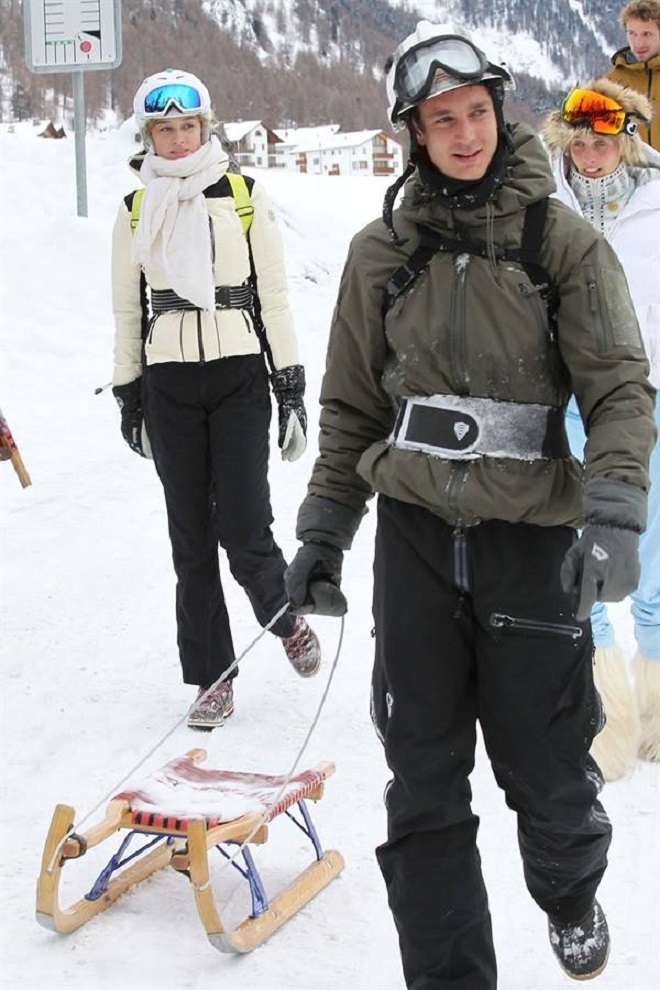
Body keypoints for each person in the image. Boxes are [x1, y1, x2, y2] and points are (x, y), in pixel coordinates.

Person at [283, 21, 657, 989]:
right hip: (412, 540)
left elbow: (619, 388)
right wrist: (325, 530)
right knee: (422, 782)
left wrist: (614, 512)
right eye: (440, 119)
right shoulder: (381, 253)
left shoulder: (559, 243)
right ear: (414, 132)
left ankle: (571, 894)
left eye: (476, 112)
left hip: (529, 540)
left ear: (499, 111)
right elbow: (351, 405)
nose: (462, 134)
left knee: (550, 775)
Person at [111, 68, 321, 731]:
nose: (176, 140)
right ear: (149, 135)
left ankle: (284, 619)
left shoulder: (244, 196)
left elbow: (275, 297)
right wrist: (128, 392)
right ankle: (213, 678)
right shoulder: (135, 208)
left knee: (243, 524)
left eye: (187, 127)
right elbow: (125, 308)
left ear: (206, 128)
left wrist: (288, 382)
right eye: (164, 129)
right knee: (190, 539)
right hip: (167, 378)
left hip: (237, 374)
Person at [542, 78, 660, 781]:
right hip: (570, 396)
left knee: (653, 549)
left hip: (650, 391)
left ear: (628, 137)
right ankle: (605, 717)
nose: (590, 153)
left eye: (603, 140)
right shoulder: (543, 206)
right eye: (578, 141)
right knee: (583, 547)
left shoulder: (659, 202)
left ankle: (655, 702)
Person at [607, 0, 660, 150]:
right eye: (632, 33)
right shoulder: (611, 83)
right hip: (632, 172)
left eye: (646, 34)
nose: (638, 43)